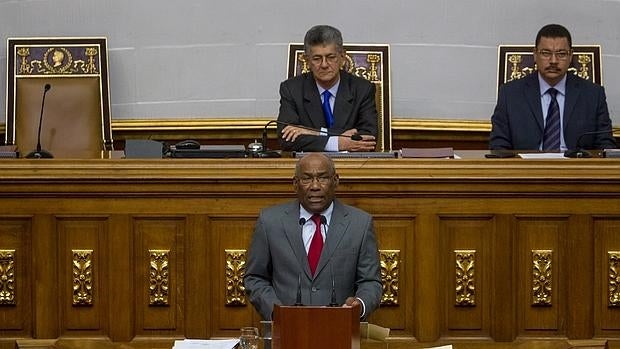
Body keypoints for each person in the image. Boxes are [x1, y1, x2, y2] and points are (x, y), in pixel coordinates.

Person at [243, 153, 382, 320]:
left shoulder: (360, 223)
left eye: (323, 178)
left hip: (339, 330)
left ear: (336, 181)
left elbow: (371, 282)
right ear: (295, 184)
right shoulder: (270, 222)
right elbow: (255, 277)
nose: (315, 186)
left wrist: (359, 305)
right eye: (307, 179)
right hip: (286, 332)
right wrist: (276, 311)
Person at [489, 24, 616, 151]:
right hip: (527, 168)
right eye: (546, 53)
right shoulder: (510, 94)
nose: (553, 61)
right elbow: (499, 145)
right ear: (535, 54)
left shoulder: (593, 94)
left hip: (576, 168)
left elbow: (605, 145)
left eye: (561, 54)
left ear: (571, 56)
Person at [277, 25, 378, 152]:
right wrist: (338, 143)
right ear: (307, 60)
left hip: (351, 166)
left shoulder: (362, 89)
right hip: (308, 165)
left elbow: (369, 138)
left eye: (331, 57)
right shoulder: (291, 89)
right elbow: (286, 139)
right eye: (317, 58)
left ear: (342, 57)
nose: (324, 65)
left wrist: (313, 132)